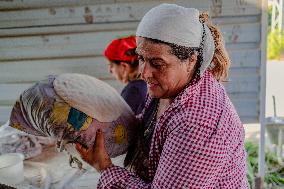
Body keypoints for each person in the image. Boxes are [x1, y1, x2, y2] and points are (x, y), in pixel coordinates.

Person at [76, 3, 249, 188]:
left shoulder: (200, 124)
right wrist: (102, 128)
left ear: (192, 60)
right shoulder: (169, 87)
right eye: (141, 59)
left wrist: (104, 167)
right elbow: (146, 125)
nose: (144, 73)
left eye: (157, 63)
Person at [104, 35, 147, 115]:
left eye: (111, 66)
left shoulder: (134, 91)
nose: (110, 71)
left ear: (124, 66)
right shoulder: (150, 86)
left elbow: (120, 126)